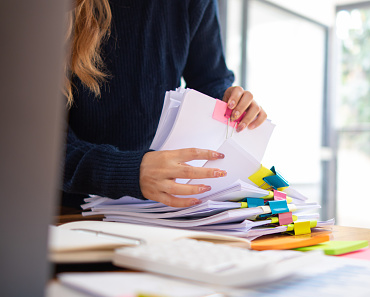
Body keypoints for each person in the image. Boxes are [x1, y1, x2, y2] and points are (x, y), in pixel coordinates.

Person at [62, 0, 266, 209]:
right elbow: (39, 143)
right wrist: (130, 172)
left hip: (157, 204)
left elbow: (209, 80)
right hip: (63, 208)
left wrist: (230, 105)